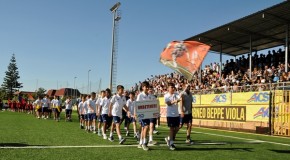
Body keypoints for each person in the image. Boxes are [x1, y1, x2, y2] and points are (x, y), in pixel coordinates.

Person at [136, 81, 157, 151]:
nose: (147, 88)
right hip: (142, 115)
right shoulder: (140, 95)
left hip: (148, 115)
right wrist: (136, 114)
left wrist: (156, 113)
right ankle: (144, 143)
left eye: (148, 87)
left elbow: (154, 104)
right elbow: (137, 105)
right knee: (146, 127)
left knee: (144, 129)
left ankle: (140, 142)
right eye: (146, 87)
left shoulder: (150, 96)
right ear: (143, 87)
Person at [164, 82, 180, 151]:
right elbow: (168, 103)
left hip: (176, 114)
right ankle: (171, 143)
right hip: (170, 115)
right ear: (168, 88)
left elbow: (180, 99)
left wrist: (179, 99)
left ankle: (169, 138)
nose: (173, 88)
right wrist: (174, 101)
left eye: (174, 87)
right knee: (171, 128)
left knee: (177, 128)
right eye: (171, 87)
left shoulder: (176, 94)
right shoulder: (166, 96)